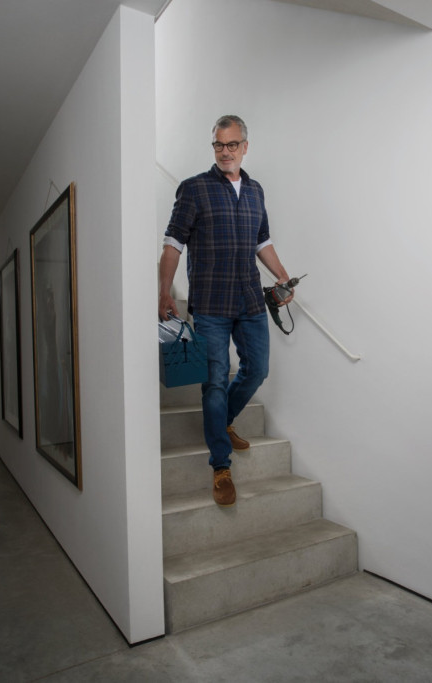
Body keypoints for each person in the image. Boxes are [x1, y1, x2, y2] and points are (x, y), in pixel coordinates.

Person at [158, 115, 294, 507]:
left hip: (249, 299)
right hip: (211, 303)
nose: (225, 152)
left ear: (245, 147)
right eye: (219, 145)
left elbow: (262, 241)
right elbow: (173, 243)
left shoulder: (255, 191)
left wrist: (282, 276)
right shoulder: (194, 189)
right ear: (214, 147)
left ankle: (223, 421)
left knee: (258, 369)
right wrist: (164, 291)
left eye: (232, 144)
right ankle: (220, 465)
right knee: (215, 381)